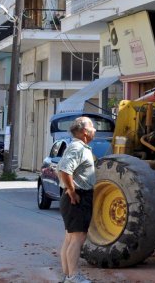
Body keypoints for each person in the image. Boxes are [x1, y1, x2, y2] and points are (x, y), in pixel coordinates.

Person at [56, 116, 97, 283]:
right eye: (92, 126)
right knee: (77, 239)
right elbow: (65, 170)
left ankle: (68, 277)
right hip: (77, 198)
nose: (95, 129)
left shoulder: (80, 147)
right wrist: (72, 192)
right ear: (85, 132)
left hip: (75, 197)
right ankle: (73, 277)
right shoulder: (77, 148)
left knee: (70, 239)